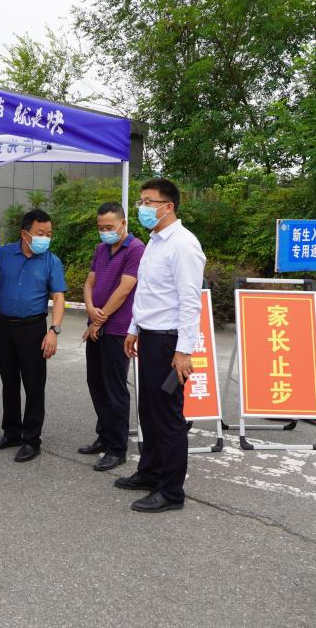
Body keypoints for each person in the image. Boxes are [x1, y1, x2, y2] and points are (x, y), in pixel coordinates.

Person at [116, 178, 205, 513]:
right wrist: (134, 328)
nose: (142, 207)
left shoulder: (183, 244)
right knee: (149, 412)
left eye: (148, 202)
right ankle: (150, 471)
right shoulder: (155, 242)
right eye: (140, 201)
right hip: (150, 335)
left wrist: (183, 351)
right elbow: (148, 292)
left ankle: (171, 491)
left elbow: (190, 301)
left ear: (168, 207)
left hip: (169, 341)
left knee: (167, 416)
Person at [0, 209, 67, 462]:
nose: (45, 238)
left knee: (34, 385)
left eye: (49, 234)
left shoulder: (52, 261)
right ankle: (11, 433)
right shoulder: (4, 254)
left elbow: (58, 297)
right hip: (5, 326)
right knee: (9, 381)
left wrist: (54, 330)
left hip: (34, 328)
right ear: (24, 234)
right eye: (40, 233)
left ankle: (31, 440)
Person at [80, 201, 144, 471]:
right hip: (97, 322)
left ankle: (118, 448)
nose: (104, 231)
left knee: (114, 388)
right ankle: (104, 436)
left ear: (122, 224)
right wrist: (90, 309)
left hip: (117, 329)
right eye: (100, 227)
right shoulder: (100, 249)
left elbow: (125, 289)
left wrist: (99, 318)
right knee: (95, 382)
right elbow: (90, 282)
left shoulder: (136, 249)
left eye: (109, 227)